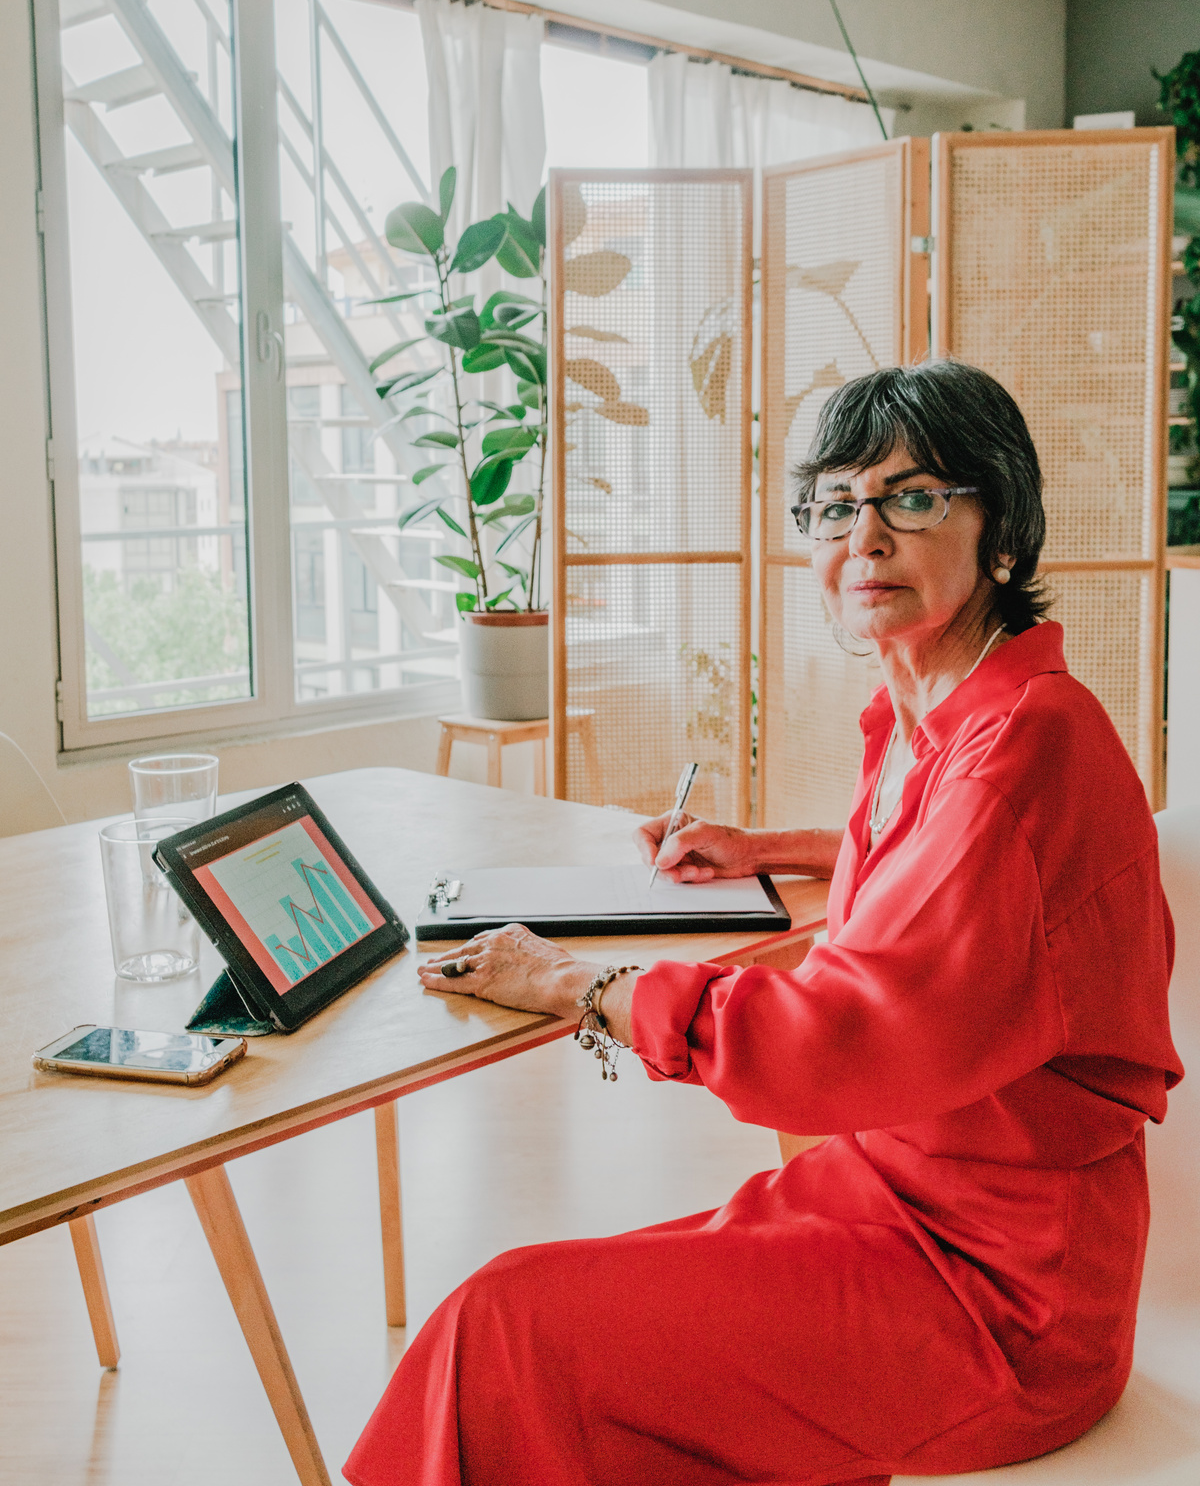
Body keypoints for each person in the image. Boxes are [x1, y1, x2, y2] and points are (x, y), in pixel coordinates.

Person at [345, 359, 1181, 1486]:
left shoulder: (1019, 748)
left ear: (1004, 533)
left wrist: (573, 987)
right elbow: (961, 877)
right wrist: (768, 852)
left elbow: (847, 1036)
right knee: (527, 1331)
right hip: (891, 1200)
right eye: (836, 506)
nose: (866, 535)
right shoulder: (948, 711)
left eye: (915, 497)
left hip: (994, 1295)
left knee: (507, 1326)